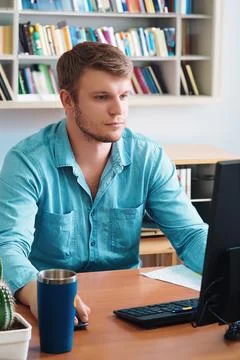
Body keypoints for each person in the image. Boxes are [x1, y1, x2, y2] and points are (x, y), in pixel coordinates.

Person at [0, 42, 208, 324]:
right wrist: (35, 289)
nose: (118, 110)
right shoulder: (26, 161)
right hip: (49, 308)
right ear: (68, 100)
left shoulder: (148, 157)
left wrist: (229, 268)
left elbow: (191, 235)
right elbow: (9, 245)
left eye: (124, 95)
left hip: (125, 310)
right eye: (101, 97)